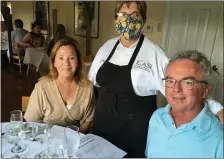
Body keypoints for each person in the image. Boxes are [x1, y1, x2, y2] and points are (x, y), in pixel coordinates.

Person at [88, 1, 223, 157]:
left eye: (135, 15)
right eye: (123, 15)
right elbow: (93, 82)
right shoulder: (107, 47)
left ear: (143, 20)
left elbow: (181, 86)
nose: (128, 20)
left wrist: (217, 109)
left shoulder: (153, 52)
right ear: (115, 20)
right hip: (103, 124)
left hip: (133, 130)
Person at [145, 50, 223, 158]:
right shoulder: (157, 117)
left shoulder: (219, 137)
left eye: (187, 82)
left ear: (205, 90)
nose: (176, 89)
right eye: (170, 81)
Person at [24, 39, 95, 133]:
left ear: (78, 62)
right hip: (47, 140)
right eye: (61, 58)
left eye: (72, 58)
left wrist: (74, 139)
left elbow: (87, 120)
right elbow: (32, 123)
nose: (66, 63)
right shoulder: (42, 87)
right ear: (54, 62)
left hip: (74, 141)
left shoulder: (87, 87)